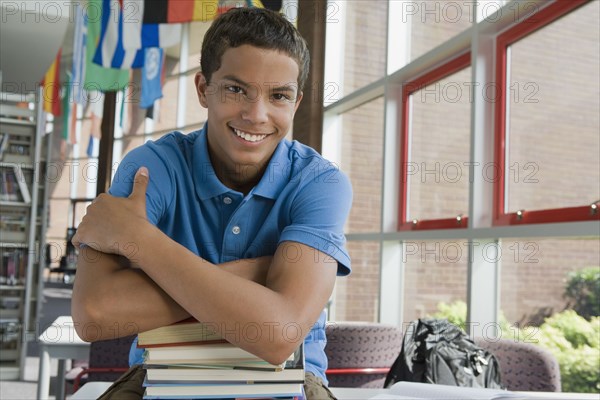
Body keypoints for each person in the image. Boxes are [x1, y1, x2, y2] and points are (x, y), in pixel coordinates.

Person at [71, 7, 352, 399]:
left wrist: (138, 237)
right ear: (203, 88)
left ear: (297, 101)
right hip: (161, 377)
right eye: (236, 89)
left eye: (278, 96)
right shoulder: (149, 169)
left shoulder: (321, 182)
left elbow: (278, 337)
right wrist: (262, 274)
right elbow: (95, 315)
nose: (256, 115)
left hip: (287, 383)